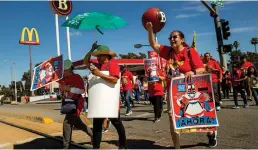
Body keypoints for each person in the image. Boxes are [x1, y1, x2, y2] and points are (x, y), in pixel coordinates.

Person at [145, 22, 217, 148]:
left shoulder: (190, 52)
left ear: (182, 39)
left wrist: (192, 71)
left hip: (191, 88)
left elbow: (201, 69)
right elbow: (153, 44)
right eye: (170, 38)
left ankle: (211, 133)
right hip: (173, 91)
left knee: (200, 113)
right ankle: (177, 147)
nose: (172, 39)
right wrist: (150, 30)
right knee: (173, 118)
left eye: (175, 37)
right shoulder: (168, 52)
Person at [84, 42, 127, 149]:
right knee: (97, 125)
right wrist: (91, 49)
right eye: (97, 55)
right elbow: (85, 61)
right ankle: (96, 147)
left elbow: (115, 80)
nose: (97, 57)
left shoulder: (113, 65)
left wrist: (99, 74)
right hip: (99, 101)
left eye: (99, 55)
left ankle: (122, 144)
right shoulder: (96, 65)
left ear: (106, 56)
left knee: (117, 123)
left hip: (110, 101)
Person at [57, 59, 93, 149]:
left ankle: (66, 146)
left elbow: (82, 90)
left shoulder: (77, 77)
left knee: (67, 123)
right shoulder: (62, 79)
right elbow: (51, 76)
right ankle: (93, 136)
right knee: (78, 124)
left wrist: (69, 89)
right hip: (68, 103)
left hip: (76, 104)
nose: (62, 73)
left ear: (68, 70)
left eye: (63, 71)